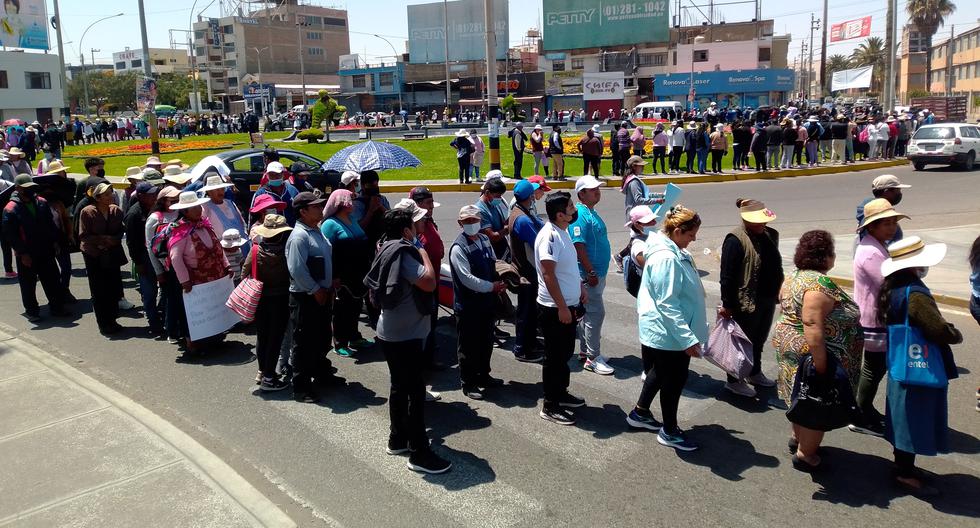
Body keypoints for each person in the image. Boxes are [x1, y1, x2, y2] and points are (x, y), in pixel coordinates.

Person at [363, 208, 449, 474]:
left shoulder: (385, 246)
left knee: (399, 387)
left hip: (392, 331)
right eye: (415, 223)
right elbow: (429, 282)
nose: (419, 225)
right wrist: (420, 249)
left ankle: (397, 438)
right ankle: (419, 452)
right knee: (413, 392)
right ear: (405, 230)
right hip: (406, 335)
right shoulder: (404, 251)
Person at [771, 230, 863, 471]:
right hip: (812, 355)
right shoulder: (818, 285)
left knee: (799, 392)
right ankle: (806, 454)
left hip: (791, 347)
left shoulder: (794, 276)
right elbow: (812, 324)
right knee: (816, 400)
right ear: (826, 257)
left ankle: (797, 437)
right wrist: (822, 367)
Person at [879, 236, 961, 496]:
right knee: (913, 419)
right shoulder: (915, 293)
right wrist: (954, 333)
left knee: (902, 418)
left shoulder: (892, 288)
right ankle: (904, 473)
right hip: (918, 367)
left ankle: (904, 466)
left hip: (900, 363)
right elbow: (936, 328)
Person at [625, 205, 706, 451]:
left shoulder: (670, 249)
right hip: (669, 333)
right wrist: (687, 339)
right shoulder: (666, 257)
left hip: (670, 332)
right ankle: (669, 430)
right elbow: (667, 303)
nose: (694, 239)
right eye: (691, 235)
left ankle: (640, 412)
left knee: (660, 373)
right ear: (678, 231)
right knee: (673, 380)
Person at [850, 198, 909, 436]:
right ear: (871, 226)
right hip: (874, 319)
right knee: (873, 370)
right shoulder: (872, 252)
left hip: (875, 317)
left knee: (874, 369)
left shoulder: (874, 245)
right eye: (886, 223)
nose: (892, 227)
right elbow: (889, 283)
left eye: (893, 222)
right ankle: (861, 414)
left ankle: (864, 409)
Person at [718, 199, 783, 397]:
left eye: (763, 221)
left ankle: (754, 373)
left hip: (766, 298)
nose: (762, 224)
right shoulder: (735, 240)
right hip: (744, 301)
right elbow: (727, 276)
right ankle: (734, 380)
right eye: (757, 221)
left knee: (759, 339)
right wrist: (728, 305)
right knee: (741, 343)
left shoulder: (770, 235)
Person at [534, 192, 588, 426]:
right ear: (559, 214)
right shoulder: (550, 237)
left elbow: (567, 267)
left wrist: (579, 287)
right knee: (554, 357)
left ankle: (561, 393)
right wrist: (562, 307)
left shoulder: (562, 231)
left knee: (565, 354)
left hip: (570, 304)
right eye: (570, 206)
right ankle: (550, 404)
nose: (574, 208)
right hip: (555, 308)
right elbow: (548, 274)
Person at [451, 205, 508, 400]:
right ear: (460, 224)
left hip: (486, 303)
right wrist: (491, 287)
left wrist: (505, 275)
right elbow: (466, 279)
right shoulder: (459, 248)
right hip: (468, 306)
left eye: (475, 220)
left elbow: (493, 262)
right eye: (467, 221)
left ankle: (483, 375)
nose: (472, 224)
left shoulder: (484, 239)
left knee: (485, 342)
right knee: (468, 346)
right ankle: (469, 382)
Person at [168, 191, 234, 357]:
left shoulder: (205, 225)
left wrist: (226, 265)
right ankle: (194, 344)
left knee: (214, 307)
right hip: (196, 279)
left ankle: (215, 338)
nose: (198, 210)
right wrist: (184, 280)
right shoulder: (180, 231)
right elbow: (176, 258)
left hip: (215, 276)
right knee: (197, 312)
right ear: (185, 211)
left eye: (198, 206)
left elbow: (218, 248)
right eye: (193, 208)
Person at [285, 192, 334, 402]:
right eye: (315, 206)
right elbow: (297, 269)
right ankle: (301, 387)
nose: (320, 208)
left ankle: (321, 373)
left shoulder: (316, 230)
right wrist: (316, 290)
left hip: (321, 294)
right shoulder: (299, 236)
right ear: (303, 211)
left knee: (321, 338)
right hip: (306, 297)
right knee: (303, 343)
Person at [2, 174, 67, 322]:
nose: (30, 190)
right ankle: (32, 311)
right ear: (18, 188)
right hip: (27, 253)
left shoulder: (41, 202)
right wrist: (23, 253)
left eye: (31, 187)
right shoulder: (11, 209)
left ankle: (57, 307)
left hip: (46, 249)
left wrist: (55, 242)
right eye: (26, 188)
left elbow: (50, 224)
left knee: (52, 279)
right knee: (28, 284)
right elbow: (11, 235)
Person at [568, 176, 614, 375]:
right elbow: (578, 245)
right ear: (581, 194)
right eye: (592, 189)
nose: (597, 191)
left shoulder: (589, 212)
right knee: (595, 314)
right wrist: (591, 271)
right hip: (589, 275)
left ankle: (586, 351)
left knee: (588, 314)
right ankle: (593, 358)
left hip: (595, 273)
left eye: (597, 188)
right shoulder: (579, 215)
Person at [320, 189, 373, 357]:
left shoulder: (352, 219)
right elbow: (327, 252)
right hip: (342, 274)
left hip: (358, 272)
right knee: (342, 309)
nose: (353, 202)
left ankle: (354, 337)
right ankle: (340, 342)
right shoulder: (330, 224)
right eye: (350, 199)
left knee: (355, 306)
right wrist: (333, 276)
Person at [243, 214, 293, 392]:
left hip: (260, 299)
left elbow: (244, 272)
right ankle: (270, 378)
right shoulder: (286, 252)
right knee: (276, 338)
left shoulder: (256, 250)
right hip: (281, 299)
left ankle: (262, 371)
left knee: (262, 336)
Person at [79, 182, 127, 336]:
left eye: (111, 193)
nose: (110, 196)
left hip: (111, 253)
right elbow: (83, 235)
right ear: (97, 197)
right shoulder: (87, 212)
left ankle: (113, 320)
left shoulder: (116, 211)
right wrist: (101, 240)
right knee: (99, 289)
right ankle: (103, 323)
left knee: (113, 286)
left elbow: (121, 231)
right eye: (105, 194)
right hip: (93, 254)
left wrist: (113, 240)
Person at [507, 180, 545, 363]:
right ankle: (522, 348)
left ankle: (530, 343)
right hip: (526, 272)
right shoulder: (521, 219)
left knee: (530, 311)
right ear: (530, 196)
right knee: (526, 312)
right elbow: (537, 242)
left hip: (527, 270)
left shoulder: (520, 212)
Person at [409, 187, 445, 370]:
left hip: (435, 281)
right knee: (424, 324)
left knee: (432, 322)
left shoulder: (428, 221)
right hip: (424, 284)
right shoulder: (415, 228)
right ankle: (423, 363)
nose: (432, 206)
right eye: (428, 203)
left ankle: (429, 356)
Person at [124, 182, 162, 334]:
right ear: (140, 196)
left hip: (157, 254)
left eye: (155, 193)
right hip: (143, 257)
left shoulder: (154, 208)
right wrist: (138, 262)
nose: (154, 196)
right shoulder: (133, 215)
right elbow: (131, 242)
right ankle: (153, 321)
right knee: (149, 290)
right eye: (150, 194)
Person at [857, 174, 909, 243]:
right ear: (887, 192)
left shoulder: (868, 208)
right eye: (898, 190)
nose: (900, 194)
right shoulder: (875, 213)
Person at [475, 176, 510, 259]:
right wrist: (507, 229)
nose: (500, 198)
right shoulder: (480, 210)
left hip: (502, 250)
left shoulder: (493, 204)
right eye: (497, 196)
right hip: (493, 254)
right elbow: (493, 237)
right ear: (487, 193)